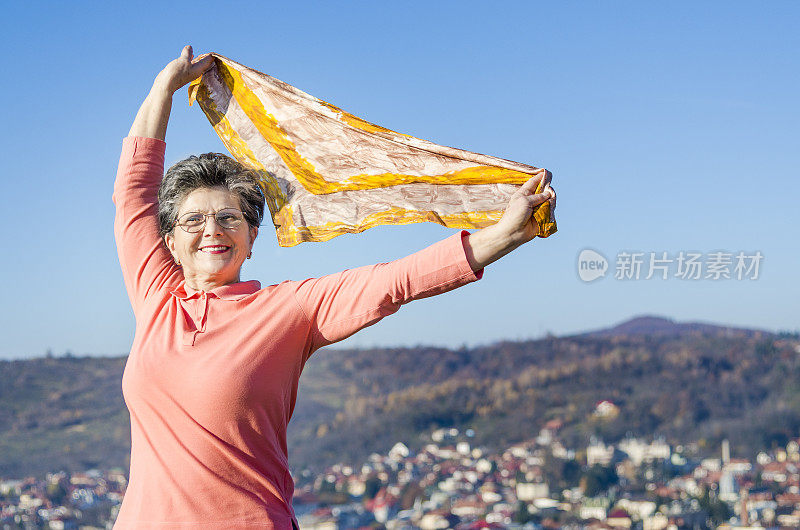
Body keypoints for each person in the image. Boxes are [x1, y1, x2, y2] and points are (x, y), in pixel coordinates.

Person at [112, 46, 556, 530]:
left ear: (252, 238)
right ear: (170, 241)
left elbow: (394, 282)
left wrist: (503, 235)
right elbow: (134, 192)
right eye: (194, 219)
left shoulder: (287, 310)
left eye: (228, 218)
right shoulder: (156, 296)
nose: (212, 230)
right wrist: (165, 88)